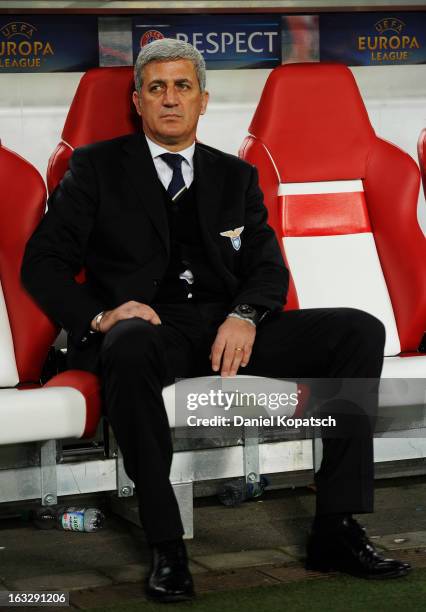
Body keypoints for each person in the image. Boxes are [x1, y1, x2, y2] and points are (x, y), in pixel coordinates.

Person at [21, 38, 409, 603]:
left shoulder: (235, 176)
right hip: (150, 332)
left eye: (183, 87)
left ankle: (336, 527)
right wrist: (103, 315)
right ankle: (167, 544)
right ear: (138, 101)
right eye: (157, 88)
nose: (170, 99)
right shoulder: (96, 169)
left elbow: (267, 268)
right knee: (127, 347)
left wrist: (246, 314)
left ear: (204, 100)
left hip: (226, 329)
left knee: (359, 330)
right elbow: (43, 263)